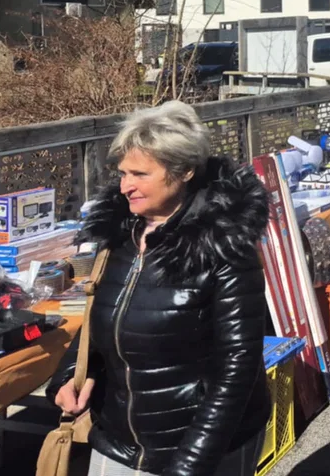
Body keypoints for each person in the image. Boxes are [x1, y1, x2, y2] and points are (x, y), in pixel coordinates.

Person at [48, 101, 270, 476]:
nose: (125, 186)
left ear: (183, 171)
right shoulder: (120, 235)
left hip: (200, 449)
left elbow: (237, 368)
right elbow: (101, 321)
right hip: (117, 441)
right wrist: (70, 373)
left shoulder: (224, 247)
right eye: (122, 173)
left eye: (140, 174)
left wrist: (190, 465)